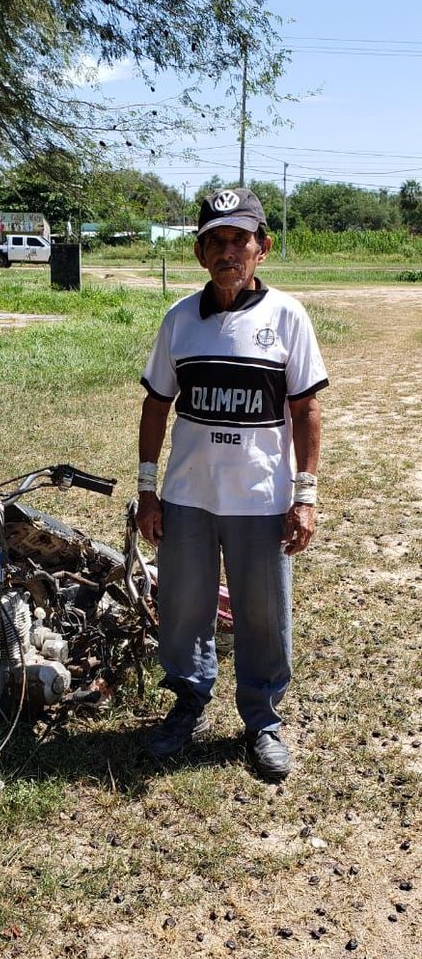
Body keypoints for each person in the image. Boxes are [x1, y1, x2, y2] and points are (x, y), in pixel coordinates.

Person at [136, 188, 328, 778]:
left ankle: (263, 720)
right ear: (199, 253)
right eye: (215, 240)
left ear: (262, 249)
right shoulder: (179, 322)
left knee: (263, 614)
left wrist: (305, 495)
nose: (228, 251)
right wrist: (148, 490)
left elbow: (306, 412)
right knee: (183, 611)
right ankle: (188, 701)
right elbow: (155, 408)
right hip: (189, 496)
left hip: (261, 500)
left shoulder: (287, 317)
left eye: (239, 240)